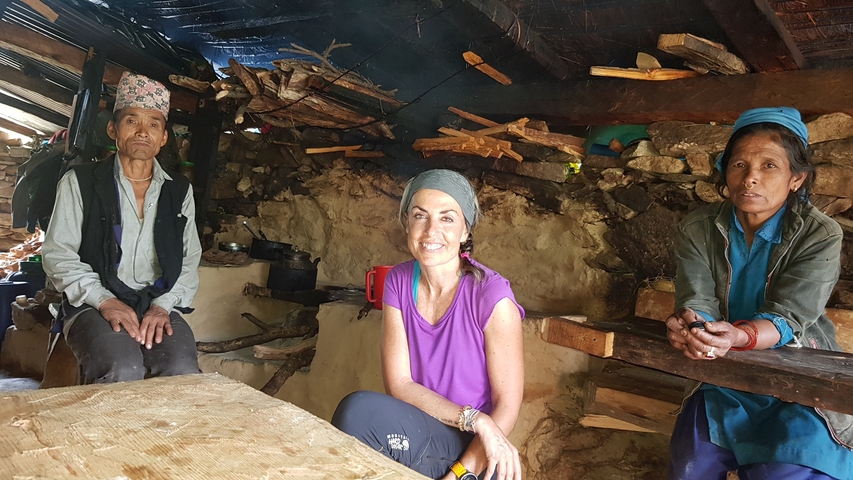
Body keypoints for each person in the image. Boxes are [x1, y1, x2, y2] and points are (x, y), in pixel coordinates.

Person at [665, 107, 853, 479]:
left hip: (801, 376)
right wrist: (692, 327)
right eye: (739, 165)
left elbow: (791, 316)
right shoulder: (698, 227)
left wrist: (739, 334)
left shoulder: (820, 234)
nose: (750, 178)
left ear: (796, 178)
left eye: (769, 166)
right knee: (692, 467)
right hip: (723, 371)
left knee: (785, 469)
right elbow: (696, 297)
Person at [332, 169, 525, 480]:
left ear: (465, 231)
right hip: (427, 428)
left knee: (361, 417)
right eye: (420, 216)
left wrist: (462, 472)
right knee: (358, 412)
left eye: (447, 218)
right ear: (407, 223)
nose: (431, 230)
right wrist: (477, 419)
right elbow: (399, 384)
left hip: (472, 448)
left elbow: (507, 407)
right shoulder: (399, 281)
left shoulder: (492, 297)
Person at [42, 71, 202, 384]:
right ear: (113, 129)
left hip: (156, 301)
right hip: (94, 300)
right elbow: (58, 254)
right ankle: (110, 435)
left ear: (164, 138)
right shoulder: (81, 182)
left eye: (154, 124)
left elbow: (189, 258)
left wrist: (162, 307)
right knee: (121, 369)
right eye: (132, 121)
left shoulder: (179, 190)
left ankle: (160, 435)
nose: (143, 132)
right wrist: (105, 300)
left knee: (181, 371)